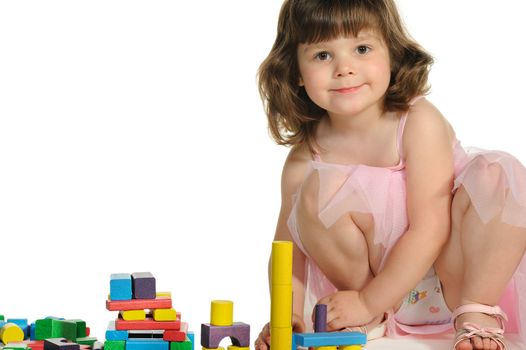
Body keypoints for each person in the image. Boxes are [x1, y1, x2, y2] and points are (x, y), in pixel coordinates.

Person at [254, 1, 526, 350]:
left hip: (452, 282)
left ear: (392, 54)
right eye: (323, 55)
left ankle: (477, 312)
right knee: (313, 192)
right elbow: (288, 251)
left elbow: (432, 226)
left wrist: (370, 299)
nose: (344, 68)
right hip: (375, 293)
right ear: (296, 72)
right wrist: (287, 314)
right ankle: (374, 319)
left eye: (362, 48)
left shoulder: (416, 121)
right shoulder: (304, 158)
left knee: (497, 175)